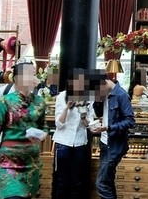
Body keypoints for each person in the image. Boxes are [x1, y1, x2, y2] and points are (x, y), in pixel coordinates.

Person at [0, 62, 49, 198]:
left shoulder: (40, 102)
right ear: (17, 79)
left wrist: (43, 134)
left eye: (33, 74)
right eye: (27, 74)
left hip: (31, 164)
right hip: (8, 163)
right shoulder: (6, 102)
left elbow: (44, 126)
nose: (32, 78)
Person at [85, 69, 135, 199]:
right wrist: (98, 101)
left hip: (115, 145)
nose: (96, 92)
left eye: (96, 89)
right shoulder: (104, 94)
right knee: (107, 181)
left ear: (104, 83)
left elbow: (130, 121)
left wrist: (108, 128)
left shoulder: (121, 95)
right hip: (104, 143)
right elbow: (99, 114)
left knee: (101, 183)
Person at [52, 68, 95, 199]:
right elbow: (59, 124)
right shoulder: (61, 97)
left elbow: (89, 124)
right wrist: (67, 107)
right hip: (63, 143)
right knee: (61, 180)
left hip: (80, 143)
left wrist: (83, 115)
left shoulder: (89, 99)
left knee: (77, 180)